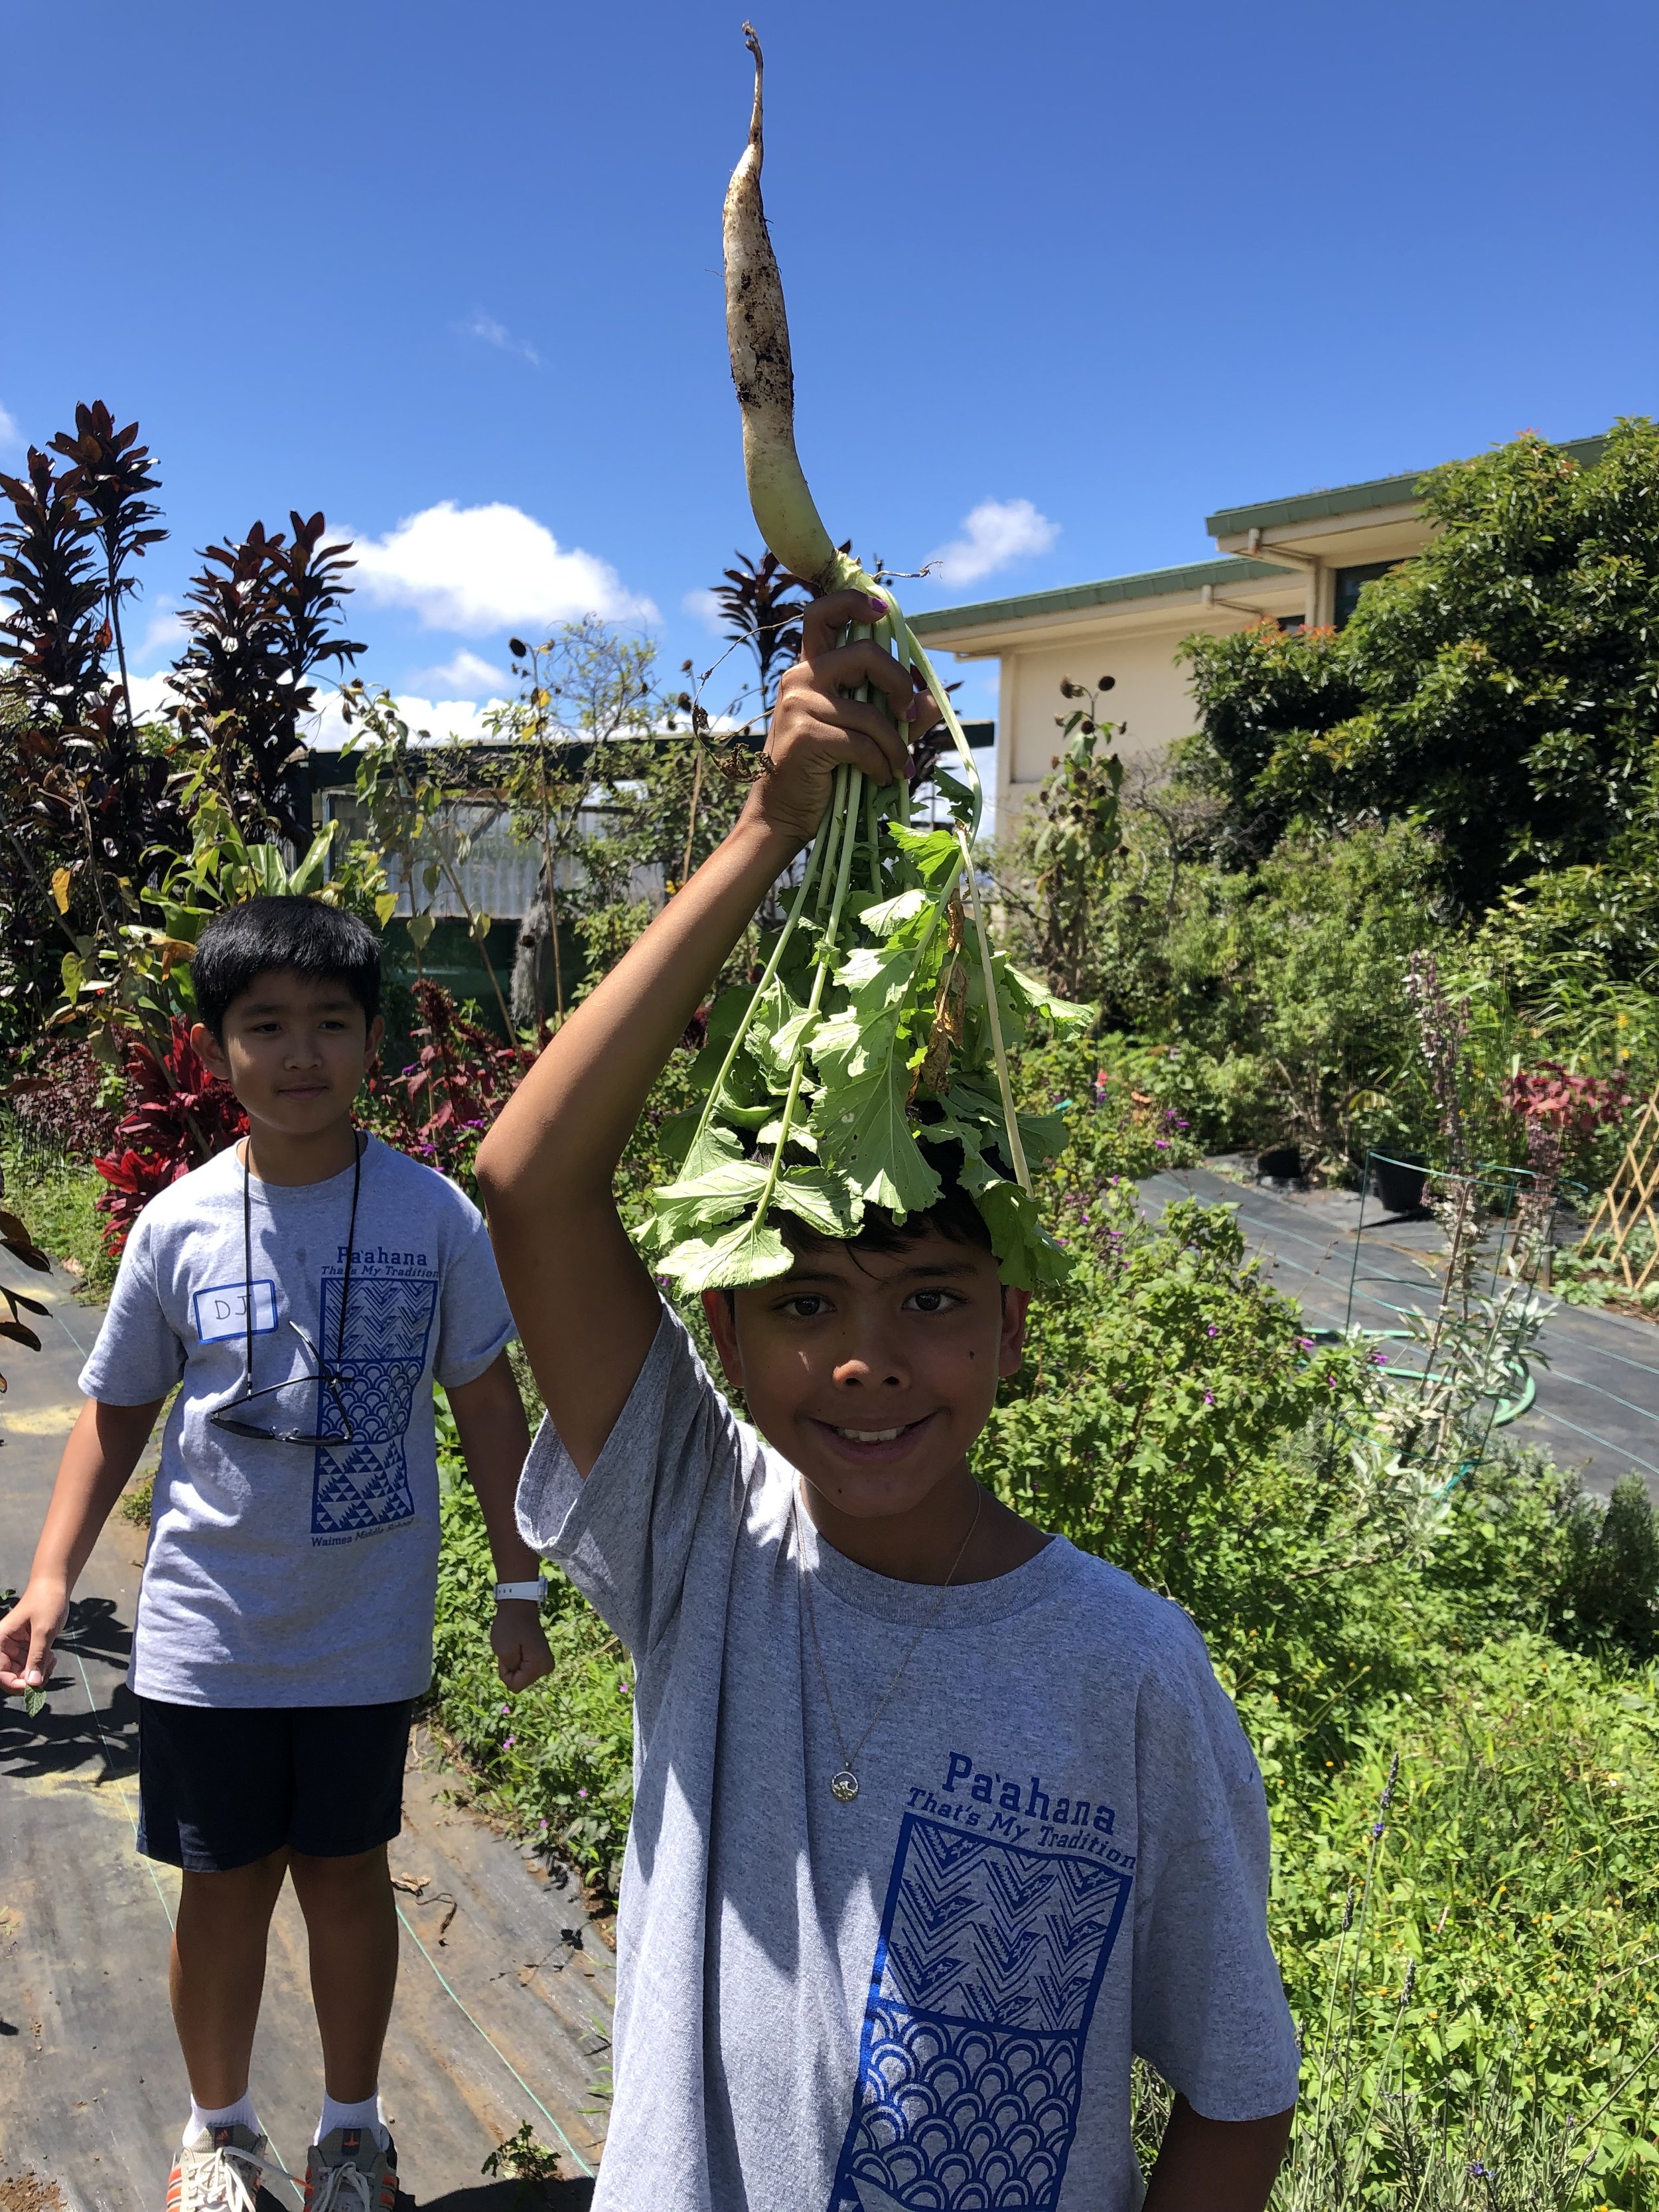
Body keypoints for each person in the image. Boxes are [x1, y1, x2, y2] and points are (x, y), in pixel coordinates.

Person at [474, 589, 1301, 2212]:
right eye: (801, 1305)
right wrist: (767, 834)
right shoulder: (703, 1541)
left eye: (927, 1299)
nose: (862, 1359)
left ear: (1006, 1327)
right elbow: (525, 1179)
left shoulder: (1128, 1671)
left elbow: (1235, 2093)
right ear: (715, 1327)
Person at [0, 897, 553, 2212]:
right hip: (207, 1631)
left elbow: (487, 1401)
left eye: (329, 1024)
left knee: (351, 1877)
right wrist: (47, 1574)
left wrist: (518, 1580)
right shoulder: (180, 1224)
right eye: (264, 1025)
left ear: (372, 1040)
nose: (298, 1053)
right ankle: (218, 2133)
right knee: (221, 1882)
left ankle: (352, 2135)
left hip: (363, 1633)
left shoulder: (433, 1218)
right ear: (216, 1048)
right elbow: (117, 1404)